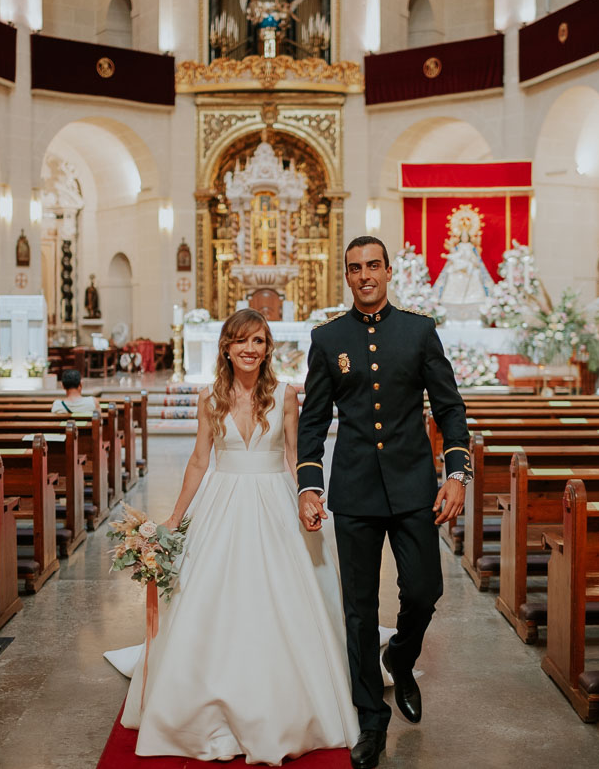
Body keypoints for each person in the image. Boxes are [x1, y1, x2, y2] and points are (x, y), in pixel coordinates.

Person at [109, 309, 359, 764]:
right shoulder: (210, 397)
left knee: (284, 598)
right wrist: (174, 519)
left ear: (268, 349)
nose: (251, 349)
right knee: (210, 599)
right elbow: (200, 462)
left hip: (274, 500)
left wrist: (307, 497)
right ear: (226, 346)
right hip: (221, 502)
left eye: (259, 341)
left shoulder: (285, 394)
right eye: (242, 341)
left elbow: (293, 454)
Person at [297, 235, 472, 769]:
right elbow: (314, 418)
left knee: (424, 590)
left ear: (389, 271)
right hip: (355, 490)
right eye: (355, 268)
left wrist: (457, 473)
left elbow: (449, 406)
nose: (365, 275)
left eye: (374, 265)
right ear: (346, 276)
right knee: (358, 610)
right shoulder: (328, 339)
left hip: (414, 485)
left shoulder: (419, 331)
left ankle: (401, 655)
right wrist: (309, 483)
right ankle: (371, 722)